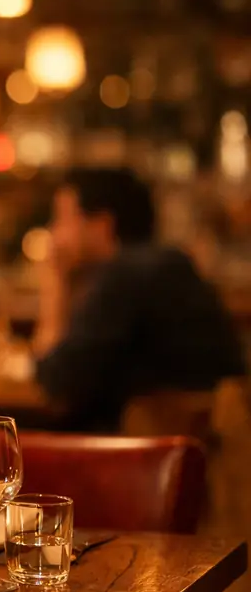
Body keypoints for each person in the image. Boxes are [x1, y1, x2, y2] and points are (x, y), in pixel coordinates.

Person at [34, 167, 245, 431]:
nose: (54, 234)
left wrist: (54, 285)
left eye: (62, 219)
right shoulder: (167, 264)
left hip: (148, 448)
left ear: (101, 225)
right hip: (197, 445)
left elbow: (56, 382)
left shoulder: (126, 276)